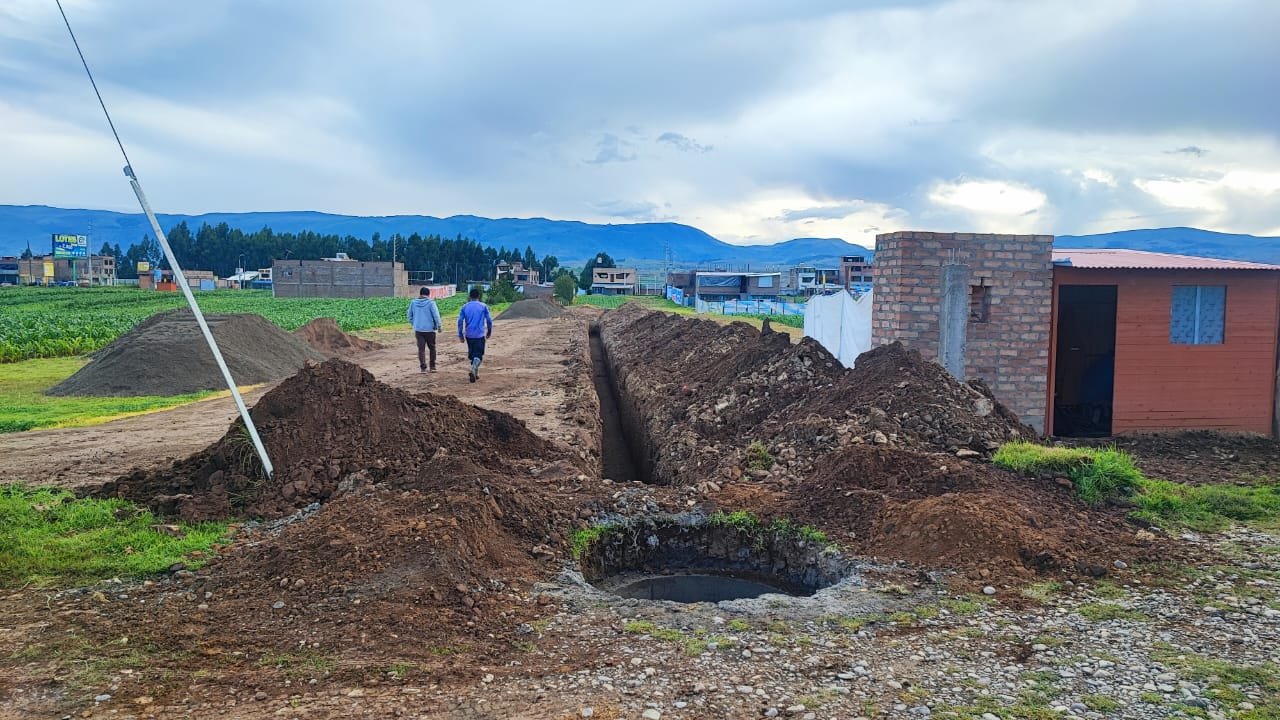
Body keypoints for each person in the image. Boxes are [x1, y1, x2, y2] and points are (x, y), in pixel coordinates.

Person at [457, 287, 493, 383]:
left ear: (470, 296)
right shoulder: (483, 306)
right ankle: (473, 369)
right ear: (479, 296)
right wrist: (489, 331)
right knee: (478, 355)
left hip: (469, 335)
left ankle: (476, 374)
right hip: (479, 334)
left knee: (473, 354)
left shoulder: (465, 307)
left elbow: (460, 321)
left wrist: (460, 334)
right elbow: (489, 320)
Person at [407, 287, 443, 372]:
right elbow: (436, 316)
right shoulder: (431, 303)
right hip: (430, 330)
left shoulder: (413, 302)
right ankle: (432, 367)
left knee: (421, 349)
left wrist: (414, 323)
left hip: (418, 330)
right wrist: (439, 326)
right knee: (432, 348)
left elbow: (409, 316)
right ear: (428, 294)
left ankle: (423, 367)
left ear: (420, 293)